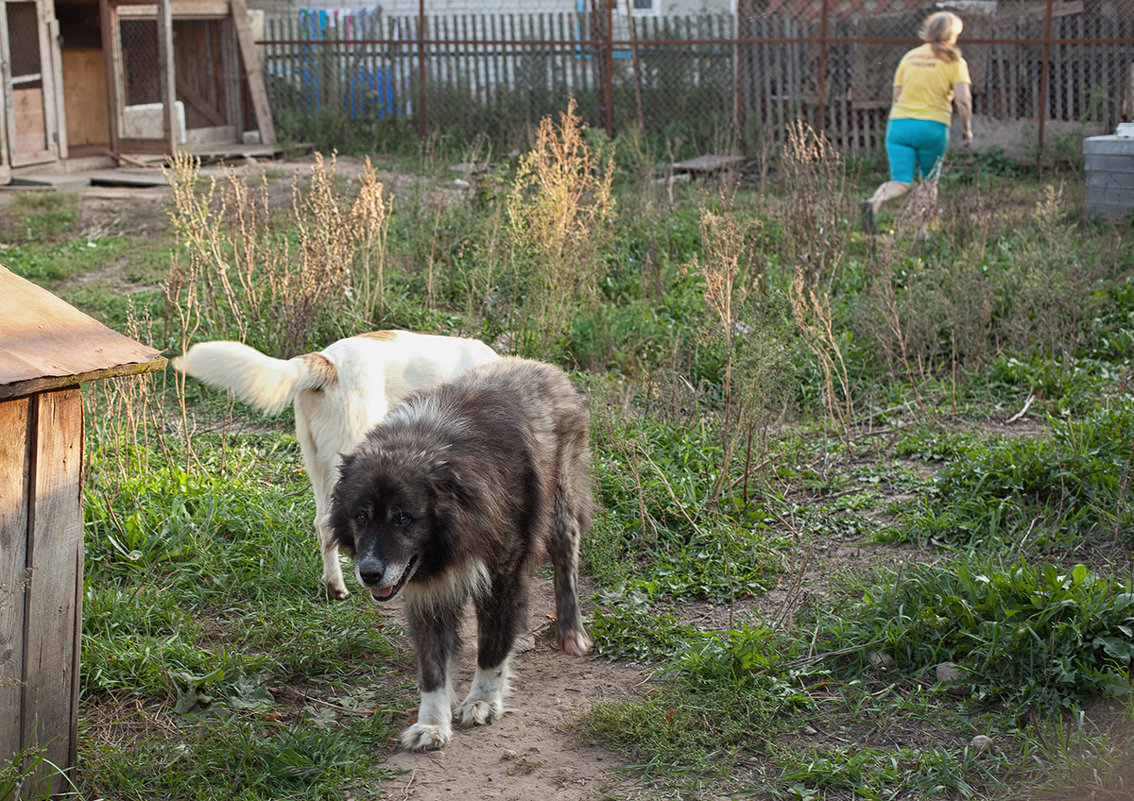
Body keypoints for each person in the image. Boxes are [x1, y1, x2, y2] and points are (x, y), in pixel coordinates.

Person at [863, 10, 974, 234]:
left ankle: (872, 203)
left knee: (900, 181)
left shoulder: (909, 57)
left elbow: (896, 96)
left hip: (899, 125)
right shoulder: (954, 61)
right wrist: (966, 129)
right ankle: (919, 230)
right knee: (928, 181)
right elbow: (963, 100)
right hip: (932, 126)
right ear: (951, 35)